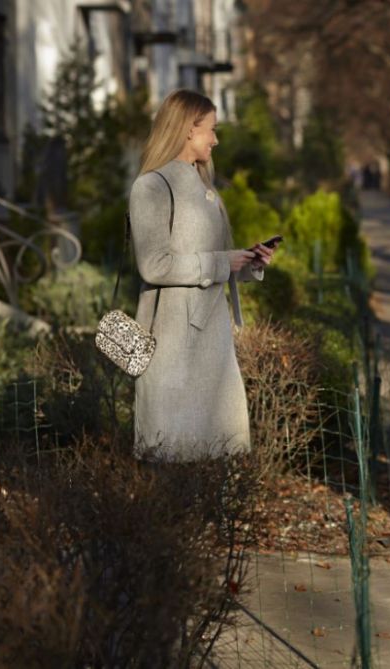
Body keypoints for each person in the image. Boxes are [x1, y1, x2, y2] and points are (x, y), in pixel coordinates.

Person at [129, 89, 276, 461]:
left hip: (211, 340)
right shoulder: (151, 187)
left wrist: (249, 261)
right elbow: (154, 265)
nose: (216, 139)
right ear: (185, 130)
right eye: (210, 129)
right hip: (172, 342)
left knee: (217, 457)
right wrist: (221, 262)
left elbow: (216, 262)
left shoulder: (206, 188)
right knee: (172, 455)